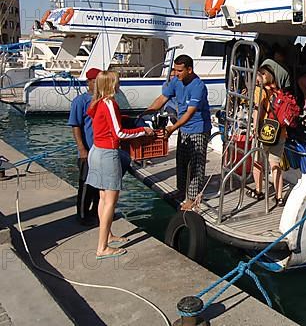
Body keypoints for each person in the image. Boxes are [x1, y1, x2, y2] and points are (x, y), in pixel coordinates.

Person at [86, 71, 153, 260]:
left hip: (96, 151)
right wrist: (142, 131)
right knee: (111, 200)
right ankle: (102, 247)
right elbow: (119, 133)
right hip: (108, 154)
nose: (120, 84)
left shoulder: (97, 102)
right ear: (111, 84)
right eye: (117, 81)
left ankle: (107, 235)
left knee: (102, 197)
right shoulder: (110, 103)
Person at [145, 55, 211, 210]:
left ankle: (193, 197)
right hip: (183, 127)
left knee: (196, 164)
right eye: (174, 69)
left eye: (179, 70)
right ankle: (182, 191)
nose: (175, 73)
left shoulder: (199, 86)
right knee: (181, 161)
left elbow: (189, 113)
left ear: (189, 70)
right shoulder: (176, 81)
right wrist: (147, 111)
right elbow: (162, 98)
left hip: (198, 128)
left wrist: (172, 129)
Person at [68, 68, 101, 226]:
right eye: (95, 81)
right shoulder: (80, 101)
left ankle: (96, 212)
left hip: (101, 150)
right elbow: (75, 125)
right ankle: (82, 215)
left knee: (99, 184)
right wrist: (81, 148)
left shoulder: (103, 100)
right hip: (88, 149)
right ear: (89, 82)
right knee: (86, 184)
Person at [251, 65, 286, 206]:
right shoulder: (278, 90)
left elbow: (257, 110)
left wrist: (254, 128)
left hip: (264, 132)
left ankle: (259, 191)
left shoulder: (260, 90)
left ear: (263, 75)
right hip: (280, 132)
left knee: (257, 162)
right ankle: (279, 197)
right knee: (275, 164)